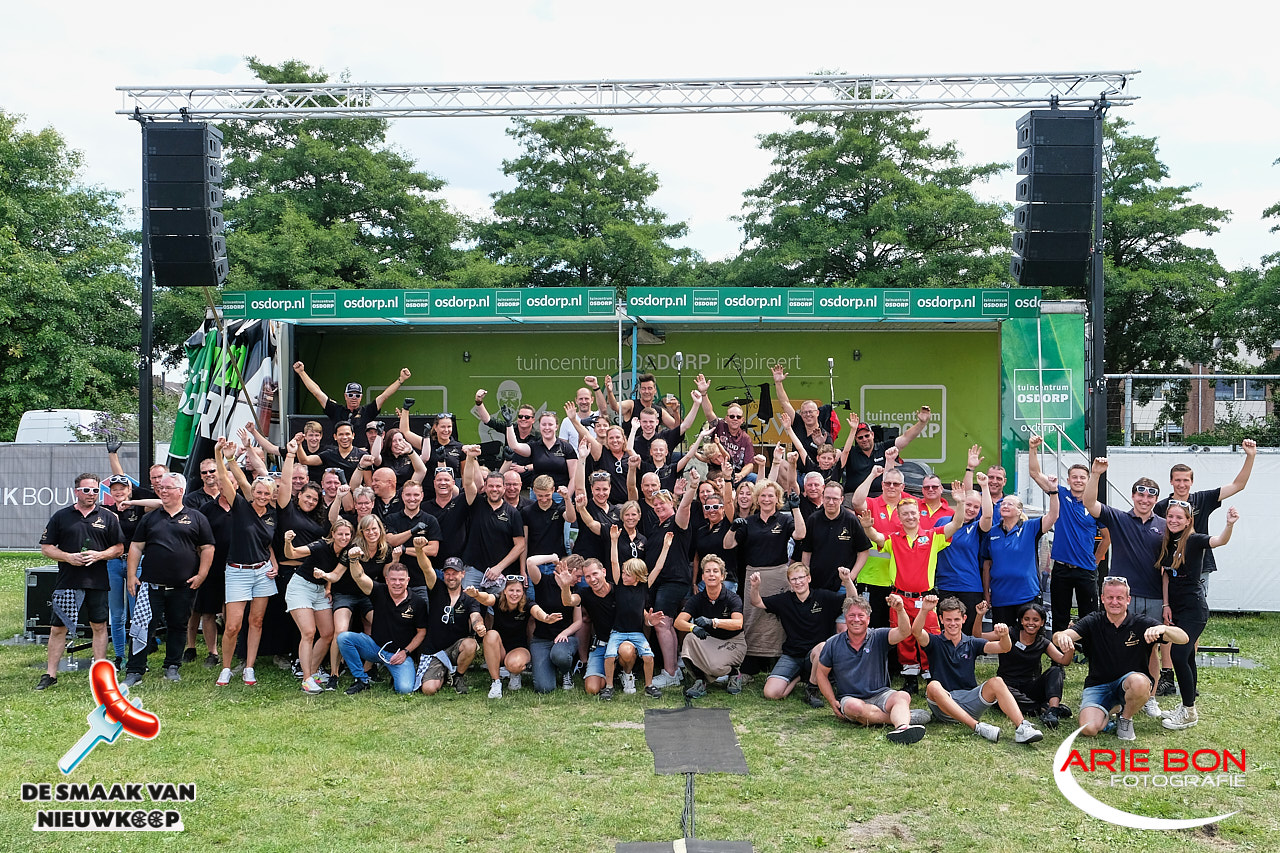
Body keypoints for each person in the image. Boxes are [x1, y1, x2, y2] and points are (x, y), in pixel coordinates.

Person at [1151, 438, 1255, 695]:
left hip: (1198, 570)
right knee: (1169, 621)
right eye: (1177, 480)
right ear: (1171, 481)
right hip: (1171, 571)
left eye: (1186, 480)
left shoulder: (1203, 499)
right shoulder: (1162, 507)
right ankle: (1167, 675)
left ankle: (1187, 673)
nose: (1182, 484)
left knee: (1191, 625)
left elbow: (1238, 485)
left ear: (1192, 482)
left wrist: (1250, 456)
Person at [860, 477, 971, 694]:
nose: (910, 517)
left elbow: (956, 524)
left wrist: (960, 503)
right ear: (899, 517)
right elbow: (877, 536)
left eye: (913, 513)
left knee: (928, 635)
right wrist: (867, 527)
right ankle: (910, 677)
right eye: (905, 514)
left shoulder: (933, 536)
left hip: (925, 599)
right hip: (900, 598)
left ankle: (931, 676)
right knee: (904, 637)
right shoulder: (893, 539)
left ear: (919, 514)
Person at [1081, 456, 1170, 718]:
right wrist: (1096, 474)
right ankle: (1116, 693)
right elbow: (1089, 502)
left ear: (1156, 499)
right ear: (1133, 496)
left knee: (1151, 649)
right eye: (1140, 495)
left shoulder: (1164, 526)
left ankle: (1149, 698)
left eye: (1150, 496)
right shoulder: (1118, 517)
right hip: (1120, 597)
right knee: (1115, 646)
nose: (1145, 500)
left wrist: (1168, 602)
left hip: (1153, 595)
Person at [1052, 576, 1189, 741]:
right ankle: (1113, 709)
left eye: (1119, 598)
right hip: (1098, 685)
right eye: (1110, 597)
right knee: (1088, 729)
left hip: (1130, 683)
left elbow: (1184, 638)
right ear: (1102, 599)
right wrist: (1061, 636)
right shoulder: (1093, 621)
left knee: (1139, 683)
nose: (1114, 602)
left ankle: (1125, 718)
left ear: (1128, 600)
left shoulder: (1141, 623)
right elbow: (1059, 636)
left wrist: (1164, 629)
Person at [120, 473, 215, 686]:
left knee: (178, 626)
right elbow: (136, 546)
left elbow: (207, 547)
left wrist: (202, 574)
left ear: (180, 491)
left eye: (168, 488)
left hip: (184, 585)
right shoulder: (150, 518)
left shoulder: (197, 517)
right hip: (151, 585)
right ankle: (135, 670)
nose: (162, 491)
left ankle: (172, 666)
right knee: (142, 626)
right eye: (161, 488)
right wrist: (132, 575)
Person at [913, 595, 1044, 744]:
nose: (952, 624)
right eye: (948, 620)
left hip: (970, 701)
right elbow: (916, 632)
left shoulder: (971, 642)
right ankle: (977, 727)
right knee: (933, 686)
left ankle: (1022, 727)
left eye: (956, 619)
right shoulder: (934, 641)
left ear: (964, 619)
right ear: (941, 620)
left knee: (997, 681)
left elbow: (1004, 648)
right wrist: (924, 610)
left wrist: (1004, 635)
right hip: (944, 706)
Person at [35, 474, 125, 690]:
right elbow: (46, 548)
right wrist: (68, 557)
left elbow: (119, 548)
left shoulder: (108, 517)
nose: (91, 494)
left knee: (99, 625)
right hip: (68, 580)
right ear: (76, 491)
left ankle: (100, 674)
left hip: (97, 580)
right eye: (86, 490)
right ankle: (50, 674)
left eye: (95, 491)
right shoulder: (61, 516)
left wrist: (100, 555)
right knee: (58, 628)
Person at [1154, 504, 1238, 730]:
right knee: (1188, 656)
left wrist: (1229, 524)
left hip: (1194, 610)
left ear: (1188, 520)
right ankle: (1186, 706)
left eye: (1179, 517)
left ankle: (1189, 712)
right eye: (1170, 516)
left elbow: (1219, 541)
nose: (1173, 520)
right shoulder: (1167, 542)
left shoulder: (1194, 540)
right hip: (1177, 610)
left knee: (1179, 654)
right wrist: (1166, 605)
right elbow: (1166, 576)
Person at [813, 595, 927, 744]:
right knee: (854, 708)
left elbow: (904, 632)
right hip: (850, 698)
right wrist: (832, 700)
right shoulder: (833, 643)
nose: (856, 619)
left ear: (868, 619)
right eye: (851, 615)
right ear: (845, 618)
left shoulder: (879, 636)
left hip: (881, 694)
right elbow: (821, 674)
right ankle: (902, 717)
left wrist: (900, 610)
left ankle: (902, 727)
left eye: (861, 615)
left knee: (902, 696)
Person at [212, 438, 279, 688]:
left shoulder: (273, 516)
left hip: (262, 572)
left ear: (271, 495)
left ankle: (249, 667)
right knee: (232, 625)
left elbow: (266, 544)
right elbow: (225, 478)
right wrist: (221, 455)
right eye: (258, 492)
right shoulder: (240, 505)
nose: (262, 496)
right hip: (237, 571)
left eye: (266, 493)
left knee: (256, 622)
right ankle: (226, 668)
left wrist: (274, 563)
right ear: (252, 492)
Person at [1027, 435, 1109, 633]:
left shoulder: (1095, 506)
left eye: (1082, 477)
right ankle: (1059, 651)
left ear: (1088, 480)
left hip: (1086, 570)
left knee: (1089, 616)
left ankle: (1089, 649)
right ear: (1069, 479)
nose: (1078, 480)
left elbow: (1107, 538)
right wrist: (1032, 449)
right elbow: (1035, 473)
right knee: (1060, 616)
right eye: (1075, 477)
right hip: (1062, 569)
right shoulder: (1060, 494)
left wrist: (1096, 560)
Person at [724, 478, 807, 667]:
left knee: (777, 617)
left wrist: (795, 509)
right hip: (753, 575)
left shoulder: (785, 519)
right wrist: (733, 528)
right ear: (757, 498)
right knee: (752, 616)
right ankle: (751, 659)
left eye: (771, 496)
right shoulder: (749, 522)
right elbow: (728, 545)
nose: (767, 499)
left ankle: (776, 658)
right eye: (763, 495)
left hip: (778, 575)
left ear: (777, 499)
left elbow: (800, 534)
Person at [750, 563, 850, 705]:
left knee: (823, 647)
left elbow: (851, 600)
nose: (798, 582)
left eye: (801, 577)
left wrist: (847, 581)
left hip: (816, 656)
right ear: (789, 582)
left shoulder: (823, 596)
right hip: (792, 655)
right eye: (794, 579)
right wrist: (755, 587)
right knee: (771, 693)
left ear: (809, 578)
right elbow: (757, 602)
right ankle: (799, 677)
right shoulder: (784, 600)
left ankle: (812, 689)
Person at [336, 562, 427, 695]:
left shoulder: (418, 602)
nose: (397, 583)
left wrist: (405, 652)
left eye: (401, 579)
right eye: (393, 579)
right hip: (375, 648)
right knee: (344, 638)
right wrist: (354, 560)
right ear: (387, 580)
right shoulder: (379, 591)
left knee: (405, 689)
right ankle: (361, 679)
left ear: (408, 580)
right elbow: (359, 577)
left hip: (398, 654)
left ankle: (396, 674)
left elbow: (421, 632)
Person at [283, 520, 352, 693]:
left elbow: (334, 574)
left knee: (328, 633)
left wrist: (327, 587)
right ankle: (306, 680)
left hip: (320, 590)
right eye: (340, 534)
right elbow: (292, 554)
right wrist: (288, 542)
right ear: (333, 534)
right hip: (300, 587)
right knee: (308, 632)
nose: (344, 537)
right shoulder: (321, 546)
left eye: (347, 534)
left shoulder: (346, 552)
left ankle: (313, 672)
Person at [987, 601, 1072, 729]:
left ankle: (1052, 711)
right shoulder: (1009, 633)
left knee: (1056, 670)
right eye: (1026, 619)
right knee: (1000, 695)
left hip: (1031, 686)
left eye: (1035, 620)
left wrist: (1070, 649)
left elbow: (1064, 661)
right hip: (1008, 686)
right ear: (1021, 620)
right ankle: (1041, 708)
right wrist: (980, 615)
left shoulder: (1043, 642)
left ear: (1042, 622)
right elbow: (979, 636)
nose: (1030, 623)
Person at [293, 361, 411, 448]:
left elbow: (384, 396)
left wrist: (401, 380)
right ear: (345, 396)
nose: (354, 397)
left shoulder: (367, 411)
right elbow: (317, 393)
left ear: (361, 397)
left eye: (357, 395)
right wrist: (301, 372)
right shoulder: (336, 410)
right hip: (338, 454)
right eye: (350, 395)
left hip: (361, 454)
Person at [675, 554, 746, 698]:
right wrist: (693, 628)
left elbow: (738, 624)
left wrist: (713, 622)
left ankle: (734, 673)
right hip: (710, 641)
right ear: (703, 577)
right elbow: (678, 622)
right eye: (707, 571)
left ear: (722, 576)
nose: (711, 574)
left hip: (732, 642)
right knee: (689, 638)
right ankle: (700, 681)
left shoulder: (732, 598)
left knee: (716, 669)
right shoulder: (697, 599)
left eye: (715, 571)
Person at [985, 490, 1059, 629]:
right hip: (1000, 597)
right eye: (1003, 504)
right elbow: (987, 564)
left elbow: (1053, 515)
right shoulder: (991, 532)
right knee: (1003, 637)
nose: (1005, 506)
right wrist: (986, 592)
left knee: (1028, 637)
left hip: (1027, 596)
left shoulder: (1030, 527)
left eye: (1010, 504)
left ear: (1019, 510)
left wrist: (1054, 492)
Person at [461, 446, 526, 599]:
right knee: (468, 606)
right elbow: (468, 482)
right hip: (473, 570)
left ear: (504, 488)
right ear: (485, 487)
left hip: (499, 573)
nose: (494, 489)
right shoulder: (476, 503)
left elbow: (520, 545)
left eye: (498, 486)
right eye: (491, 486)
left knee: (497, 609)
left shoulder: (513, 513)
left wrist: (499, 568)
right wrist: (470, 458)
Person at [932, 473, 994, 630]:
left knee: (966, 634)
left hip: (970, 588)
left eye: (976, 507)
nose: (971, 509)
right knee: (945, 632)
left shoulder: (977, 527)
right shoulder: (943, 522)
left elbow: (988, 516)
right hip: (945, 586)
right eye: (968, 504)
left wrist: (985, 486)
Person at [465, 576, 541, 699]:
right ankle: (496, 682)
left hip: (519, 648)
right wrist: (477, 595)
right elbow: (487, 598)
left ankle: (515, 674)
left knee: (514, 665)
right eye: (511, 590)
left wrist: (546, 617)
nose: (514, 594)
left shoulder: (527, 603)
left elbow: (537, 612)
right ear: (504, 591)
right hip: (499, 649)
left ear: (523, 593)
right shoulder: (498, 599)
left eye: (518, 591)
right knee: (490, 634)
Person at [417, 557, 483, 696]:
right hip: (434, 651)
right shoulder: (436, 588)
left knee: (470, 644)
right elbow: (426, 568)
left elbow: (475, 616)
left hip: (455, 649)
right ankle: (445, 672)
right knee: (429, 689)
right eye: (447, 573)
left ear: (463, 574)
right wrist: (419, 551)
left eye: (455, 573)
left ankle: (458, 676)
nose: (451, 577)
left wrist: (478, 625)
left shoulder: (469, 597)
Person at [556, 557, 618, 696]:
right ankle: (612, 673)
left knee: (627, 652)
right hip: (602, 645)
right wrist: (565, 586)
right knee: (592, 689)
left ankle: (625, 672)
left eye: (595, 574)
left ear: (604, 572)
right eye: (587, 576)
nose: (592, 579)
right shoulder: (585, 593)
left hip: (621, 643)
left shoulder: (617, 590)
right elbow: (568, 601)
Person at [840, 408, 931, 500]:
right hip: (854, 496)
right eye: (860, 437)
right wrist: (853, 430)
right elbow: (839, 453)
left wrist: (922, 423)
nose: (864, 439)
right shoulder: (850, 451)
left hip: (881, 496)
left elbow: (906, 437)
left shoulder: (883, 447)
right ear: (855, 439)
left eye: (867, 436)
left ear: (872, 435)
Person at [526, 554, 585, 693]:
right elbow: (530, 562)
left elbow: (578, 622)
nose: (580, 580)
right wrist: (553, 558)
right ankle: (550, 667)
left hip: (565, 639)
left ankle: (565, 671)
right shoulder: (543, 581)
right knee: (544, 688)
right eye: (578, 576)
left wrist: (564, 633)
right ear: (568, 571)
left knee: (560, 655)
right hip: (541, 639)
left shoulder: (576, 590)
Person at [801, 481, 872, 594]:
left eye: (835, 499)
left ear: (842, 499)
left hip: (842, 585)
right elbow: (806, 552)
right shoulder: (813, 520)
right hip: (816, 584)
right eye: (827, 498)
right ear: (822, 498)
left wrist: (851, 577)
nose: (831, 502)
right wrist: (806, 576)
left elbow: (864, 551)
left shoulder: (851, 520)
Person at [507, 411, 579, 494]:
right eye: (544, 424)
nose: (547, 428)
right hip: (537, 495)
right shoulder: (534, 446)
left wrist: (567, 497)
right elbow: (514, 446)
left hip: (559, 495)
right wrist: (509, 424)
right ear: (540, 426)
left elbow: (574, 477)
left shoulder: (566, 447)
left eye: (550, 424)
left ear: (556, 427)